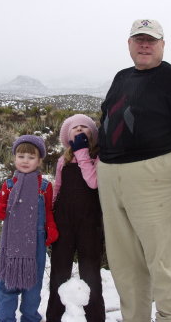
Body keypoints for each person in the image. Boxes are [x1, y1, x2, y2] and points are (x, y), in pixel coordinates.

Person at [96, 19, 171, 322]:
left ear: (162, 44)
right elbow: (110, 118)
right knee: (124, 263)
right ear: (129, 44)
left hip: (157, 177)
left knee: (164, 260)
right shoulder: (122, 77)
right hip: (112, 176)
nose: (144, 45)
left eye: (151, 40)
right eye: (139, 40)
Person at [0, 135, 59, 322]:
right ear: (14, 158)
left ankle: (30, 318)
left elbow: (48, 211)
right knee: (6, 283)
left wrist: (51, 228)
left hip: (35, 243)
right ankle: (5, 318)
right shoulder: (9, 185)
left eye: (31, 157)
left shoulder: (44, 186)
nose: (25, 161)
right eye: (21, 156)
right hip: (11, 242)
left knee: (33, 285)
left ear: (39, 160)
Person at [46, 114, 105, 322]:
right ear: (67, 136)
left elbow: (93, 183)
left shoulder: (98, 158)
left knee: (91, 274)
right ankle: (53, 316)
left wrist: (82, 153)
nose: (79, 129)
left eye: (84, 127)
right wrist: (49, 214)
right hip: (64, 221)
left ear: (92, 134)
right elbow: (58, 187)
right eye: (74, 128)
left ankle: (95, 317)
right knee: (59, 272)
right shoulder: (64, 159)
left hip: (89, 222)